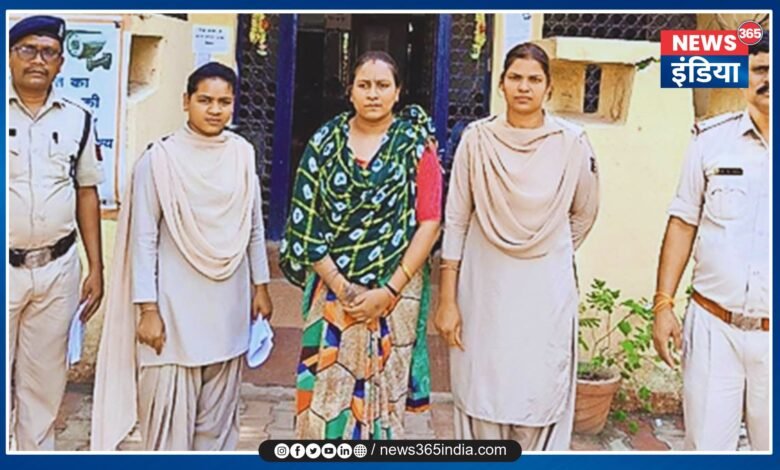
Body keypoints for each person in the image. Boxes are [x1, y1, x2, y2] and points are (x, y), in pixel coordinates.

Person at [91, 62, 273, 451]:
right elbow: (143, 239)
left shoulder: (242, 154)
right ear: (185, 101)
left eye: (224, 101)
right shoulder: (159, 159)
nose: (214, 109)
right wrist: (148, 310)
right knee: (169, 433)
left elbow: (254, 225)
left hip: (228, 306)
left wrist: (261, 285)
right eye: (204, 100)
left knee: (218, 430)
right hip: (172, 314)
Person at [434, 42, 599, 450]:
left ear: (549, 87)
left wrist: (544, 250)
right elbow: (455, 220)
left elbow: (584, 214)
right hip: (484, 288)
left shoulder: (572, 143)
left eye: (534, 79)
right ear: (501, 85)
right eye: (515, 78)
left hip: (545, 292)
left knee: (538, 392)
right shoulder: (477, 140)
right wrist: (448, 299)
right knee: (482, 389)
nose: (524, 87)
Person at [280, 51, 442, 440]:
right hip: (332, 292)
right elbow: (306, 221)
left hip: (397, 293)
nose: (373, 94)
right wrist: (343, 287)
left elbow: (430, 223)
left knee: (383, 403)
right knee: (323, 404)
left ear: (398, 93)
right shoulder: (324, 145)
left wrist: (387, 290)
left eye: (383, 85)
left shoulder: (415, 146)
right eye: (364, 85)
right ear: (350, 91)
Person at [652, 32, 770, 451]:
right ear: (744, 78)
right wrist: (663, 304)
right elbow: (682, 222)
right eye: (760, 69)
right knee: (706, 451)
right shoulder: (710, 140)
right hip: (713, 327)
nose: (769, 79)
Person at [8, 15, 104, 450]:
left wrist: (95, 267)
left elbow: (87, 192)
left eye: (48, 52)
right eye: (28, 49)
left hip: (58, 269)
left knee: (44, 387)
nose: (38, 60)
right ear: (10, 55)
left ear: (61, 63)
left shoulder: (78, 119)